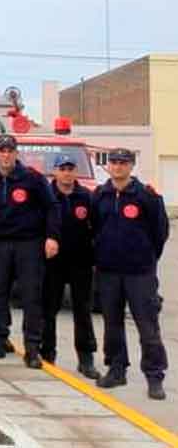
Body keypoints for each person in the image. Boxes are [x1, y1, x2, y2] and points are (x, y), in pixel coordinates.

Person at [92, 148, 169, 400]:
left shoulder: (146, 196)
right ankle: (116, 370)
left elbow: (160, 232)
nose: (117, 167)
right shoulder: (100, 195)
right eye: (113, 162)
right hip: (109, 272)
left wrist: (146, 257)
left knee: (147, 326)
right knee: (112, 324)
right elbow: (94, 229)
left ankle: (154, 377)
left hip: (140, 273)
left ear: (131, 166)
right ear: (108, 166)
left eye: (123, 163)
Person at [0, 134, 60, 369]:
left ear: (16, 153)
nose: (6, 155)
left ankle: (32, 349)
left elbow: (51, 207)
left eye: (10, 150)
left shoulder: (32, 179)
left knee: (31, 297)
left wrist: (52, 237)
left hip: (29, 244)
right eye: (1, 151)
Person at [41, 154, 100, 379]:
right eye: (62, 168)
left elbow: (97, 227)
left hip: (81, 263)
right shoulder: (46, 195)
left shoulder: (86, 197)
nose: (66, 172)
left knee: (82, 311)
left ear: (76, 171)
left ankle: (86, 359)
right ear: (54, 171)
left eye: (70, 168)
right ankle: (47, 355)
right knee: (49, 310)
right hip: (52, 263)